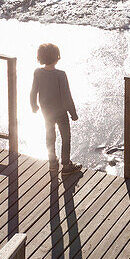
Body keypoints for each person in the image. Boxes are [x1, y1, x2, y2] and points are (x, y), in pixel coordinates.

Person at [29, 43, 82, 177]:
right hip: (61, 112)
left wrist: (33, 105)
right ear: (57, 57)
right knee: (65, 137)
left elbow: (33, 90)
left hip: (46, 112)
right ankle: (66, 165)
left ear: (40, 57)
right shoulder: (61, 75)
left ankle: (52, 163)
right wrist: (73, 113)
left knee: (50, 136)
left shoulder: (38, 72)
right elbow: (66, 96)